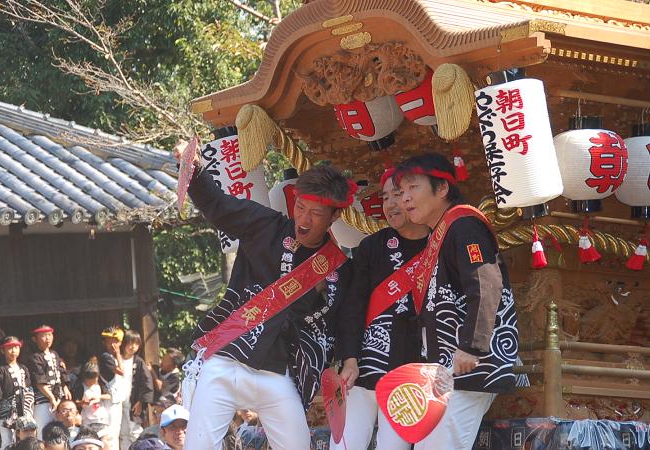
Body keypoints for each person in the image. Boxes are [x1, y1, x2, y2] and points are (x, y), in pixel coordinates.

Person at [176, 142, 354, 450]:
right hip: (227, 358)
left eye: (315, 213)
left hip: (278, 372)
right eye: (300, 208)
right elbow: (216, 205)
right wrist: (192, 166)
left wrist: (350, 358)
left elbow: (346, 321)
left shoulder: (337, 268)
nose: (304, 219)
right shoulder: (264, 224)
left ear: (334, 217)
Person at [394, 153, 518, 450]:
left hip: (470, 367)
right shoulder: (442, 231)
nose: (405, 199)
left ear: (442, 189)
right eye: (401, 191)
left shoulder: (464, 226)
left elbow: (486, 283)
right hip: (448, 371)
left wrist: (471, 345)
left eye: (414, 188)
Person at [334, 168, 429, 449]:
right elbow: (353, 306)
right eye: (385, 197)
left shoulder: (440, 244)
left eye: (398, 195)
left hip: (409, 375)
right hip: (364, 369)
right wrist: (349, 357)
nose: (390, 204)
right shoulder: (371, 247)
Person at [26, 326, 71, 440]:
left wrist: (65, 387)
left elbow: (61, 372)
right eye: (43, 335)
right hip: (43, 400)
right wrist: (51, 397)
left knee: (60, 431)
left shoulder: (55, 354)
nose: (47, 338)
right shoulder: (35, 357)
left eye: (49, 335)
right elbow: (39, 381)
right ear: (35, 339)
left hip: (58, 398)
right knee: (43, 431)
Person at [0, 337, 33, 450]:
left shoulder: (24, 368)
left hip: (23, 409)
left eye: (15, 347)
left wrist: (29, 409)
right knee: (7, 439)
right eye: (9, 348)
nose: (13, 350)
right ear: (2, 351)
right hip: (6, 409)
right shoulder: (0, 370)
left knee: (24, 438)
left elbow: (29, 390)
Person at [118, 331, 153, 450]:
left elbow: (147, 383)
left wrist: (141, 401)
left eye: (136, 344)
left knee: (135, 432)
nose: (133, 347)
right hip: (117, 402)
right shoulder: (116, 360)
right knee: (122, 433)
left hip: (132, 402)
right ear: (124, 343)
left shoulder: (138, 361)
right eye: (130, 343)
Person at [96, 327, 124, 450]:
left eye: (115, 341)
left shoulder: (111, 356)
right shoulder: (106, 357)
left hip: (116, 398)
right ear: (103, 342)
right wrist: (118, 354)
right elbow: (121, 371)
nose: (112, 344)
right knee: (111, 431)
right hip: (109, 400)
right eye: (109, 341)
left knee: (116, 431)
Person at [72, 362, 110, 427]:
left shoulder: (100, 384)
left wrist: (98, 396)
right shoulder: (81, 387)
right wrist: (82, 402)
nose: (91, 383)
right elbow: (76, 402)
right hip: (87, 418)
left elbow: (108, 396)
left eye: (93, 381)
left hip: (100, 416)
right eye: (89, 382)